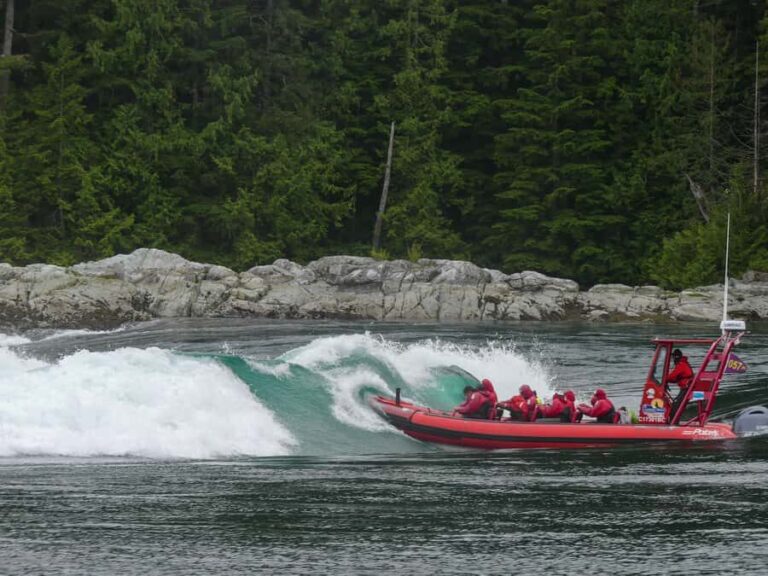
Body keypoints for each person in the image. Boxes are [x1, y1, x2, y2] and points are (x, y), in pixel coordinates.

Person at [668, 348, 694, 419]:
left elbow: (671, 376)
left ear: (676, 357)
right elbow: (676, 378)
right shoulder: (684, 363)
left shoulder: (681, 364)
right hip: (686, 388)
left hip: (686, 389)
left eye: (673, 357)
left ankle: (673, 422)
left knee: (675, 404)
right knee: (676, 403)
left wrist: (664, 379)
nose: (673, 359)